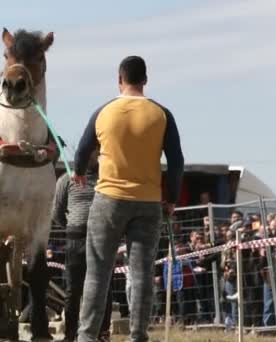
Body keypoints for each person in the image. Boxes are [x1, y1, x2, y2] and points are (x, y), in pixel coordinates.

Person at [71, 55, 184, 342]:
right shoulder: (162, 114)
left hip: (108, 198)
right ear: (145, 80)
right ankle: (138, 336)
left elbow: (82, 152)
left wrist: (80, 173)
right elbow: (176, 161)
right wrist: (170, 198)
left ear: (119, 80)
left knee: (97, 272)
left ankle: (86, 337)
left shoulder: (104, 112)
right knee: (142, 273)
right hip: (148, 202)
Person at [52, 148, 113, 342]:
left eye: (96, 154)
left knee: (104, 287)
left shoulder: (106, 180)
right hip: (76, 239)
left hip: (101, 239)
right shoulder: (66, 180)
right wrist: (72, 226)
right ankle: (70, 334)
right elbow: (56, 212)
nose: (94, 158)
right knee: (74, 289)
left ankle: (102, 333)